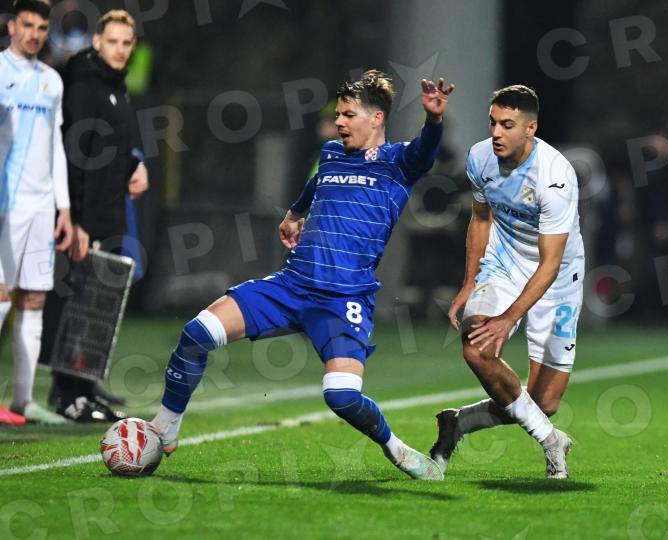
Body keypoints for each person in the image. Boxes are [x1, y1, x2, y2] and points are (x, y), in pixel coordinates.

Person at [148, 70, 453, 480]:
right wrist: (294, 214)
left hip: (343, 299)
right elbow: (316, 184)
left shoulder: (399, 162)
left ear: (376, 118)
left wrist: (434, 119)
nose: (339, 121)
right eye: (338, 114)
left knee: (341, 397)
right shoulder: (331, 153)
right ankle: (164, 427)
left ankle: (394, 447)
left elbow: (427, 149)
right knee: (196, 334)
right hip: (291, 285)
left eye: (348, 115)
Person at [429, 85, 582, 478]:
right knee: (476, 345)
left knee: (544, 403)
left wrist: (508, 318)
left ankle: (459, 423)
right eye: (493, 123)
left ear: (531, 128)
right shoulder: (480, 157)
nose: (497, 133)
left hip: (557, 276)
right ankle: (551, 440)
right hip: (504, 263)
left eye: (508, 125)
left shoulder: (555, 177)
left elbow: (550, 264)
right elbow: (481, 219)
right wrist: (469, 283)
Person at [39, 9, 148, 422]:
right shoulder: (84, 83)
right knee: (76, 305)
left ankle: (85, 388)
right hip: (88, 215)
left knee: (98, 304)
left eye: (126, 43)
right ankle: (68, 394)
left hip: (109, 210)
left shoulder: (115, 84)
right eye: (112, 41)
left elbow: (116, 145)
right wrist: (78, 219)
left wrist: (135, 165)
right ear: (97, 42)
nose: (119, 49)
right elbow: (76, 155)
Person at [0, 0, 73, 425]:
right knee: (1, 296)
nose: (34, 34)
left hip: (41, 207)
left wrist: (63, 206)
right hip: (6, 205)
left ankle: (22, 401)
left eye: (41, 28)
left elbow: (56, 145)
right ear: (12, 26)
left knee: (33, 299)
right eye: (27, 25)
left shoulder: (51, 80)